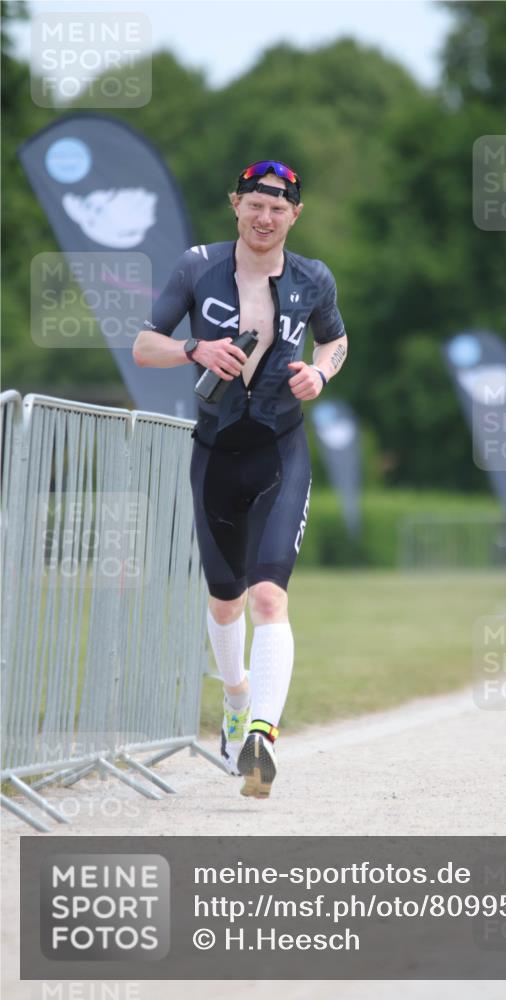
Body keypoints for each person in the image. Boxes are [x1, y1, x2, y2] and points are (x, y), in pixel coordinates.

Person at [132, 160, 348, 797]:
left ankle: (260, 735)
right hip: (215, 451)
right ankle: (235, 701)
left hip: (280, 452)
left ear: (294, 216)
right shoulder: (197, 266)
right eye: (255, 204)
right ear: (235, 204)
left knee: (268, 597)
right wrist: (193, 349)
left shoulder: (314, 279)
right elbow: (145, 344)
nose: (265, 218)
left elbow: (335, 341)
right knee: (225, 600)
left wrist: (321, 373)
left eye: (278, 209)